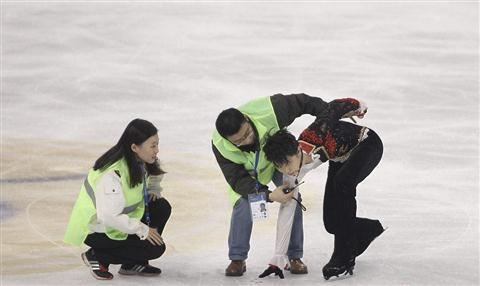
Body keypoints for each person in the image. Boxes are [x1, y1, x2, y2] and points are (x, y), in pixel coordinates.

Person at [263, 98, 385, 280]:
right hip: (340, 157)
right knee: (332, 223)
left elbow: (334, 107)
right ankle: (368, 229)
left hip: (367, 144)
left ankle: (343, 259)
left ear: (297, 150)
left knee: (343, 185)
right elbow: (287, 208)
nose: (288, 170)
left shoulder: (313, 135)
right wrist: (278, 257)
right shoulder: (291, 174)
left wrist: (358, 106)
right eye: (281, 167)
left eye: (288, 163)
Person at [212, 93, 333, 276]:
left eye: (247, 133)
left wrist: (331, 118)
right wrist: (267, 195)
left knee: (292, 198)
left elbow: (306, 103)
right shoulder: (220, 146)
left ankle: (294, 256)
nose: (247, 141)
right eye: (238, 141)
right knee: (243, 205)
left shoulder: (270, 110)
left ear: (246, 118)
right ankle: (237, 259)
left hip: (276, 161)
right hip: (248, 175)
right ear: (228, 140)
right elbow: (237, 179)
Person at [64, 118, 172, 280]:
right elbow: (108, 216)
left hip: (118, 223)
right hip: (99, 229)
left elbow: (155, 170)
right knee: (155, 249)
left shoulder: (138, 159)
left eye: (157, 144)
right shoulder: (113, 174)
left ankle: (131, 263)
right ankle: (97, 255)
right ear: (134, 147)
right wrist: (142, 230)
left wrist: (154, 189)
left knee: (161, 206)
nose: (157, 150)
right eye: (153, 146)